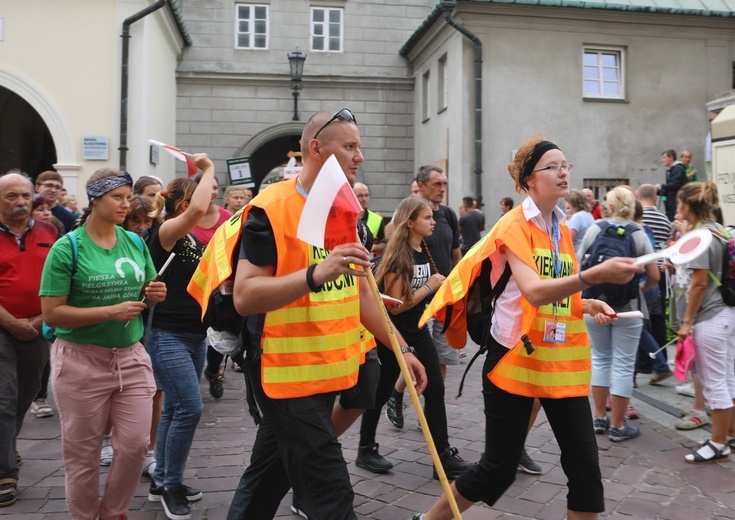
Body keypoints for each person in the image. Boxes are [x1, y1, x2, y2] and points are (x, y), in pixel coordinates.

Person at [412, 137, 641, 520]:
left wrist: (584, 304)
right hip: (513, 360)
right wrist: (594, 276)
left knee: (586, 469)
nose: (563, 171)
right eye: (552, 166)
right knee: (496, 469)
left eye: (565, 164)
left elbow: (553, 293)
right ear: (528, 180)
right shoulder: (513, 226)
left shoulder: (561, 227)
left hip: (557, 363)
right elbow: (534, 293)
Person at [225, 108, 426, 520]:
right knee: (332, 495)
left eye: (359, 147)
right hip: (285, 376)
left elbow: (361, 296)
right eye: (350, 146)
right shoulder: (269, 210)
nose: (360, 156)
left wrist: (401, 349)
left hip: (331, 370)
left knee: (266, 480)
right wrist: (317, 272)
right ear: (316, 148)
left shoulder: (343, 210)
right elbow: (245, 296)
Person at [39, 168, 166, 519]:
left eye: (129, 196)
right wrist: (109, 312)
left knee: (134, 445)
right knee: (83, 455)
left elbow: (146, 291)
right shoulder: (68, 248)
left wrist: (155, 294)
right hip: (80, 361)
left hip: (130, 356)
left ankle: (113, 512)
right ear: (95, 199)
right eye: (118, 197)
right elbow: (52, 314)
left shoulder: (135, 241)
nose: (127, 204)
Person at [356, 197, 472, 480]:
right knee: (382, 389)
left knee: (434, 388)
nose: (434, 222)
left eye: (432, 217)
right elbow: (397, 303)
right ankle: (365, 449)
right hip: (392, 332)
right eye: (427, 218)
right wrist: (430, 286)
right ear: (410, 223)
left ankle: (442, 458)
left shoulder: (424, 249)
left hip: (418, 330)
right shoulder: (398, 256)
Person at [146, 155, 216, 520]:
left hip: (194, 335)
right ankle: (170, 485)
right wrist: (208, 169)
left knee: (175, 408)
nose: (212, 200)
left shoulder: (187, 236)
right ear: (185, 205)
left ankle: (164, 478)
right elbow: (202, 204)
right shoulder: (166, 231)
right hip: (168, 334)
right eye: (206, 194)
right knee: (189, 408)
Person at [580, 186, 659, 442]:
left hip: (594, 304)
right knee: (624, 364)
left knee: (600, 358)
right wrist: (639, 289)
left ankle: (599, 419)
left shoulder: (595, 228)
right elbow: (654, 276)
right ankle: (618, 426)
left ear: (609, 206)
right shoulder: (638, 233)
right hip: (629, 308)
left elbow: (580, 265)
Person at [0, 170, 58, 508]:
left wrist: (38, 320)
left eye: (25, 195)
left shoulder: (50, 232)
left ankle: (6, 445)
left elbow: (61, 280)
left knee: (24, 394)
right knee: (3, 398)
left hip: (39, 327)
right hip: (2, 328)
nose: (21, 202)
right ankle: (6, 472)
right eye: (11, 197)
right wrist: (12, 322)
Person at [675, 181, 735, 463]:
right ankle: (729, 436)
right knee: (729, 379)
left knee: (714, 384)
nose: (677, 208)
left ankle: (718, 444)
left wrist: (687, 322)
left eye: (678, 203)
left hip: (710, 316)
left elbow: (698, 284)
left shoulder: (700, 236)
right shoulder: (721, 230)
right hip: (728, 311)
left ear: (688, 205)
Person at [354, 182, 386, 256]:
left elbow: (385, 245)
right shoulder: (344, 217)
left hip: (369, 264)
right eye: (360, 196)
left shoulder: (377, 219)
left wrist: (372, 247)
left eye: (366, 195)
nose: (364, 199)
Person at [656, 149, 687, 221]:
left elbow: (675, 185)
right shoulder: (672, 170)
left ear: (671, 157)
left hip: (674, 203)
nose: (662, 160)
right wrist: (659, 191)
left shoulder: (677, 169)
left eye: (664, 157)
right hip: (671, 203)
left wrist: (661, 186)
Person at [565, 189, 594, 259]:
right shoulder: (589, 215)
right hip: (587, 255)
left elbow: (568, 240)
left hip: (576, 256)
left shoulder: (577, 217)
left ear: (572, 203)